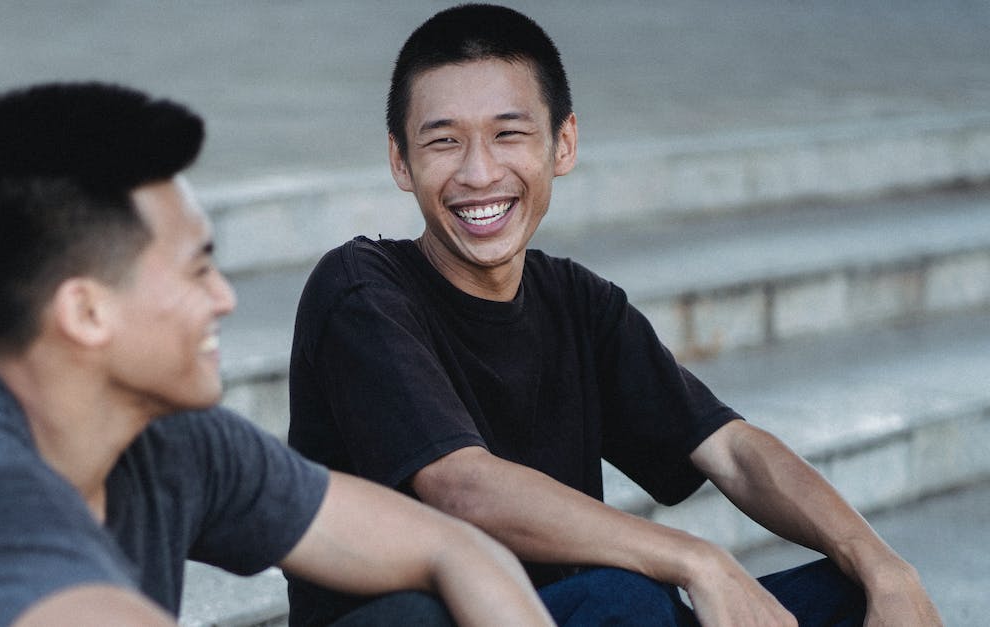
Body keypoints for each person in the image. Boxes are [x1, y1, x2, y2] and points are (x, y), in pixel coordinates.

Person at [286, 4, 943, 626]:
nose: (479, 172)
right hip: (420, 616)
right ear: (401, 160)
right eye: (444, 142)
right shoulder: (361, 291)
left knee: (858, 597)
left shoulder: (578, 300)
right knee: (625, 595)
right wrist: (695, 556)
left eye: (508, 134)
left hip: (584, 611)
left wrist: (882, 564)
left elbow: (735, 452)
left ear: (563, 144)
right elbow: (461, 485)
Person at [0, 82, 554, 627]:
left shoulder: (171, 440)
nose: (226, 297)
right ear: (86, 311)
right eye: (198, 267)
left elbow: (455, 548)